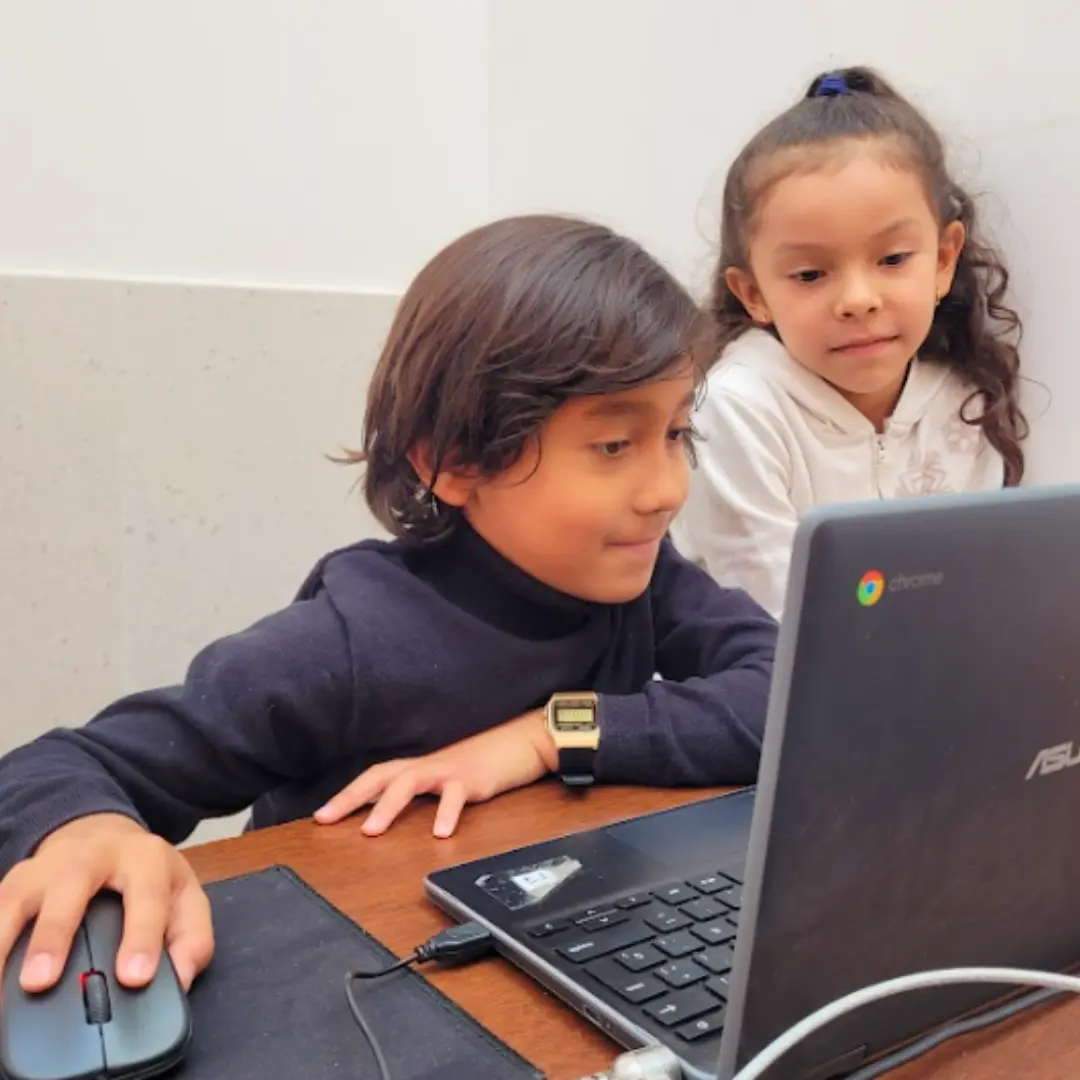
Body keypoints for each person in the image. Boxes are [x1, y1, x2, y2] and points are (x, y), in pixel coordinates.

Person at [0, 215, 776, 1002]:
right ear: (454, 462)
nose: (668, 490)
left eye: (678, 433)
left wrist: (549, 736)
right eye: (614, 446)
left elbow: (790, 689)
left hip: (555, 972)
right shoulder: (349, 640)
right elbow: (62, 764)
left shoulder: (645, 580)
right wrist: (87, 832)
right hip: (345, 995)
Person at [670, 66, 1029, 619]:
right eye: (810, 275)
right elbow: (771, 616)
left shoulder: (965, 401)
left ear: (942, 260)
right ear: (753, 293)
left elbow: (974, 590)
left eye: (892, 259)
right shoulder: (738, 408)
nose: (858, 299)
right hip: (764, 687)